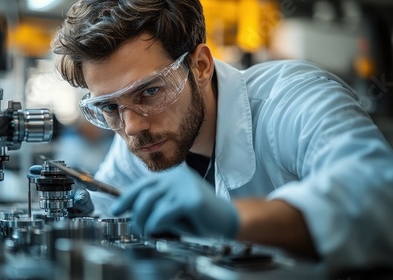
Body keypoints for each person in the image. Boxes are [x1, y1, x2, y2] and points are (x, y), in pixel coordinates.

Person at [51, 0, 393, 274]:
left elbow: (378, 198)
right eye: (109, 106)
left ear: (200, 66)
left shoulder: (291, 99)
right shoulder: (139, 139)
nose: (132, 128)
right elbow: (105, 214)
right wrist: (75, 210)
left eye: (150, 91)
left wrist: (234, 220)